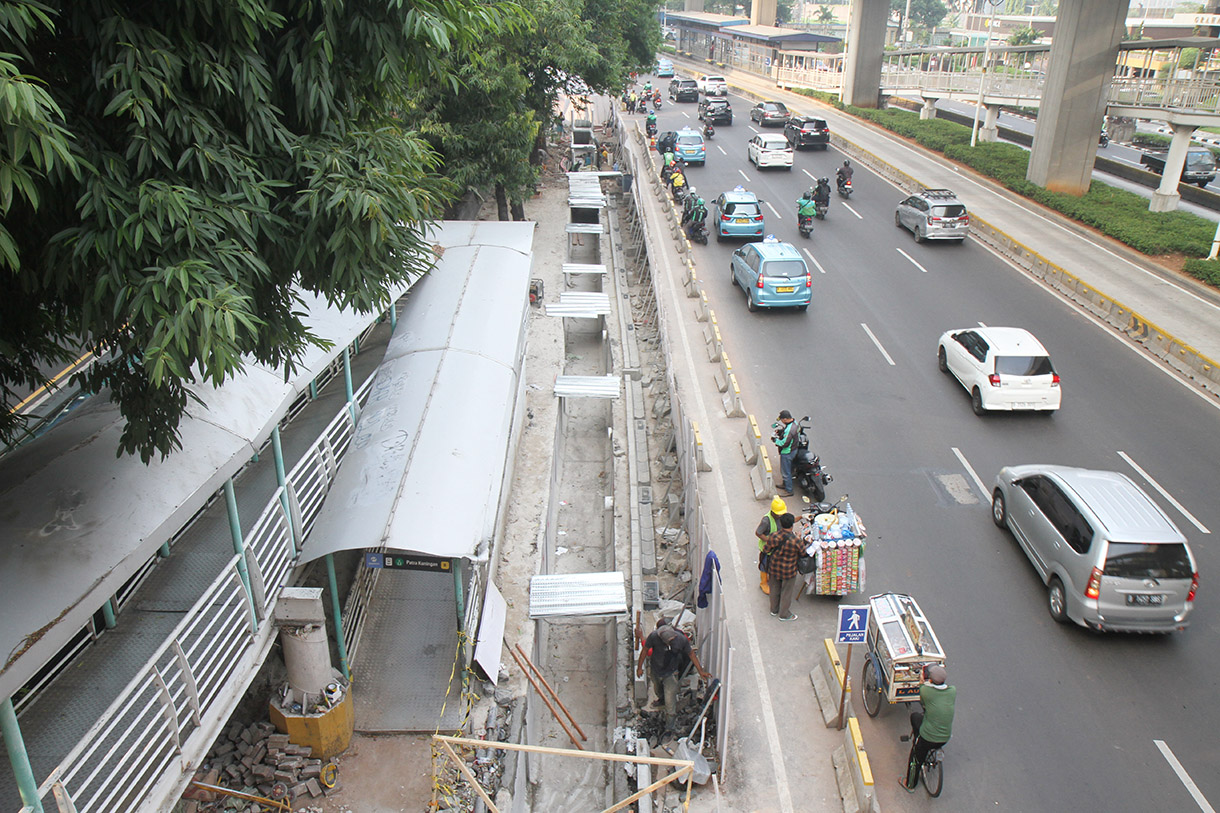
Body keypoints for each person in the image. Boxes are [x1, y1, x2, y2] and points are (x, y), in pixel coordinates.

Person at [636, 619, 710, 730]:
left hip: (671, 672)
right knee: (658, 689)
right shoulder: (654, 637)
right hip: (656, 669)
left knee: (670, 702)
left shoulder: (681, 639)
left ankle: (669, 726)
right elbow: (645, 650)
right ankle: (661, 699)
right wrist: (639, 667)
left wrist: (700, 671)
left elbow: (691, 654)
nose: (669, 644)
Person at [901, 665, 956, 792]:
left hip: (928, 737)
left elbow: (922, 689)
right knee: (918, 718)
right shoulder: (952, 691)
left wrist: (921, 678)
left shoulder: (926, 691)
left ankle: (909, 784)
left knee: (916, 755)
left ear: (930, 680)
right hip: (945, 737)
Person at [762, 513, 805, 621]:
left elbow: (766, 549)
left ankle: (774, 609)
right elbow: (803, 553)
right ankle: (784, 614)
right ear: (792, 525)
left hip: (774, 568)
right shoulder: (796, 541)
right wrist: (799, 537)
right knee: (786, 592)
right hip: (789, 571)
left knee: (774, 589)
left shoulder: (774, 536)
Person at [754, 495, 786, 594]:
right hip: (766, 549)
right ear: (773, 512)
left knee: (771, 564)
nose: (780, 516)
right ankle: (763, 583)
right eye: (778, 514)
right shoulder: (766, 521)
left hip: (775, 548)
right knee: (764, 565)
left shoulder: (780, 515)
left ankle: (769, 577)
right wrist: (769, 541)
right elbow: (758, 533)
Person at [772, 410, 797, 496]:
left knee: (785, 472)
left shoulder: (789, 431)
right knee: (788, 470)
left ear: (785, 419)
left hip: (787, 452)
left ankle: (789, 490)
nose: (782, 421)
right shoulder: (794, 423)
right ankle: (785, 484)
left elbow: (784, 443)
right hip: (794, 449)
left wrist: (775, 440)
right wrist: (780, 432)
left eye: (782, 420)